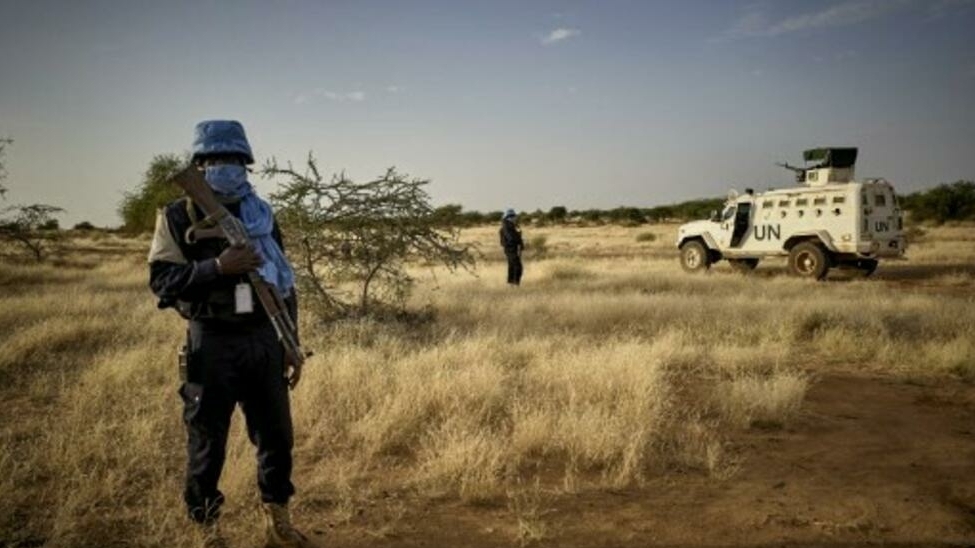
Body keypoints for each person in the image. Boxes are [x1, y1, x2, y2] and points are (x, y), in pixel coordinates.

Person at [148, 120, 318, 548]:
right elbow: (163, 282)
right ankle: (207, 530)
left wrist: (291, 345)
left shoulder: (260, 214)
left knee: (276, 436)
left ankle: (277, 522)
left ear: (246, 165)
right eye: (216, 160)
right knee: (208, 442)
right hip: (213, 341)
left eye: (235, 160)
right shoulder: (176, 215)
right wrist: (218, 267)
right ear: (200, 166)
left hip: (263, 338)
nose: (227, 167)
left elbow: (283, 283)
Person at [499, 208, 524, 285]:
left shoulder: (510, 226)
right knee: (517, 266)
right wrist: (518, 236)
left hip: (512, 248)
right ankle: (515, 283)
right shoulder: (507, 226)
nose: (514, 218)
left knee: (512, 266)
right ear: (508, 217)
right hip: (510, 248)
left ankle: (511, 284)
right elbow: (511, 238)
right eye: (512, 216)